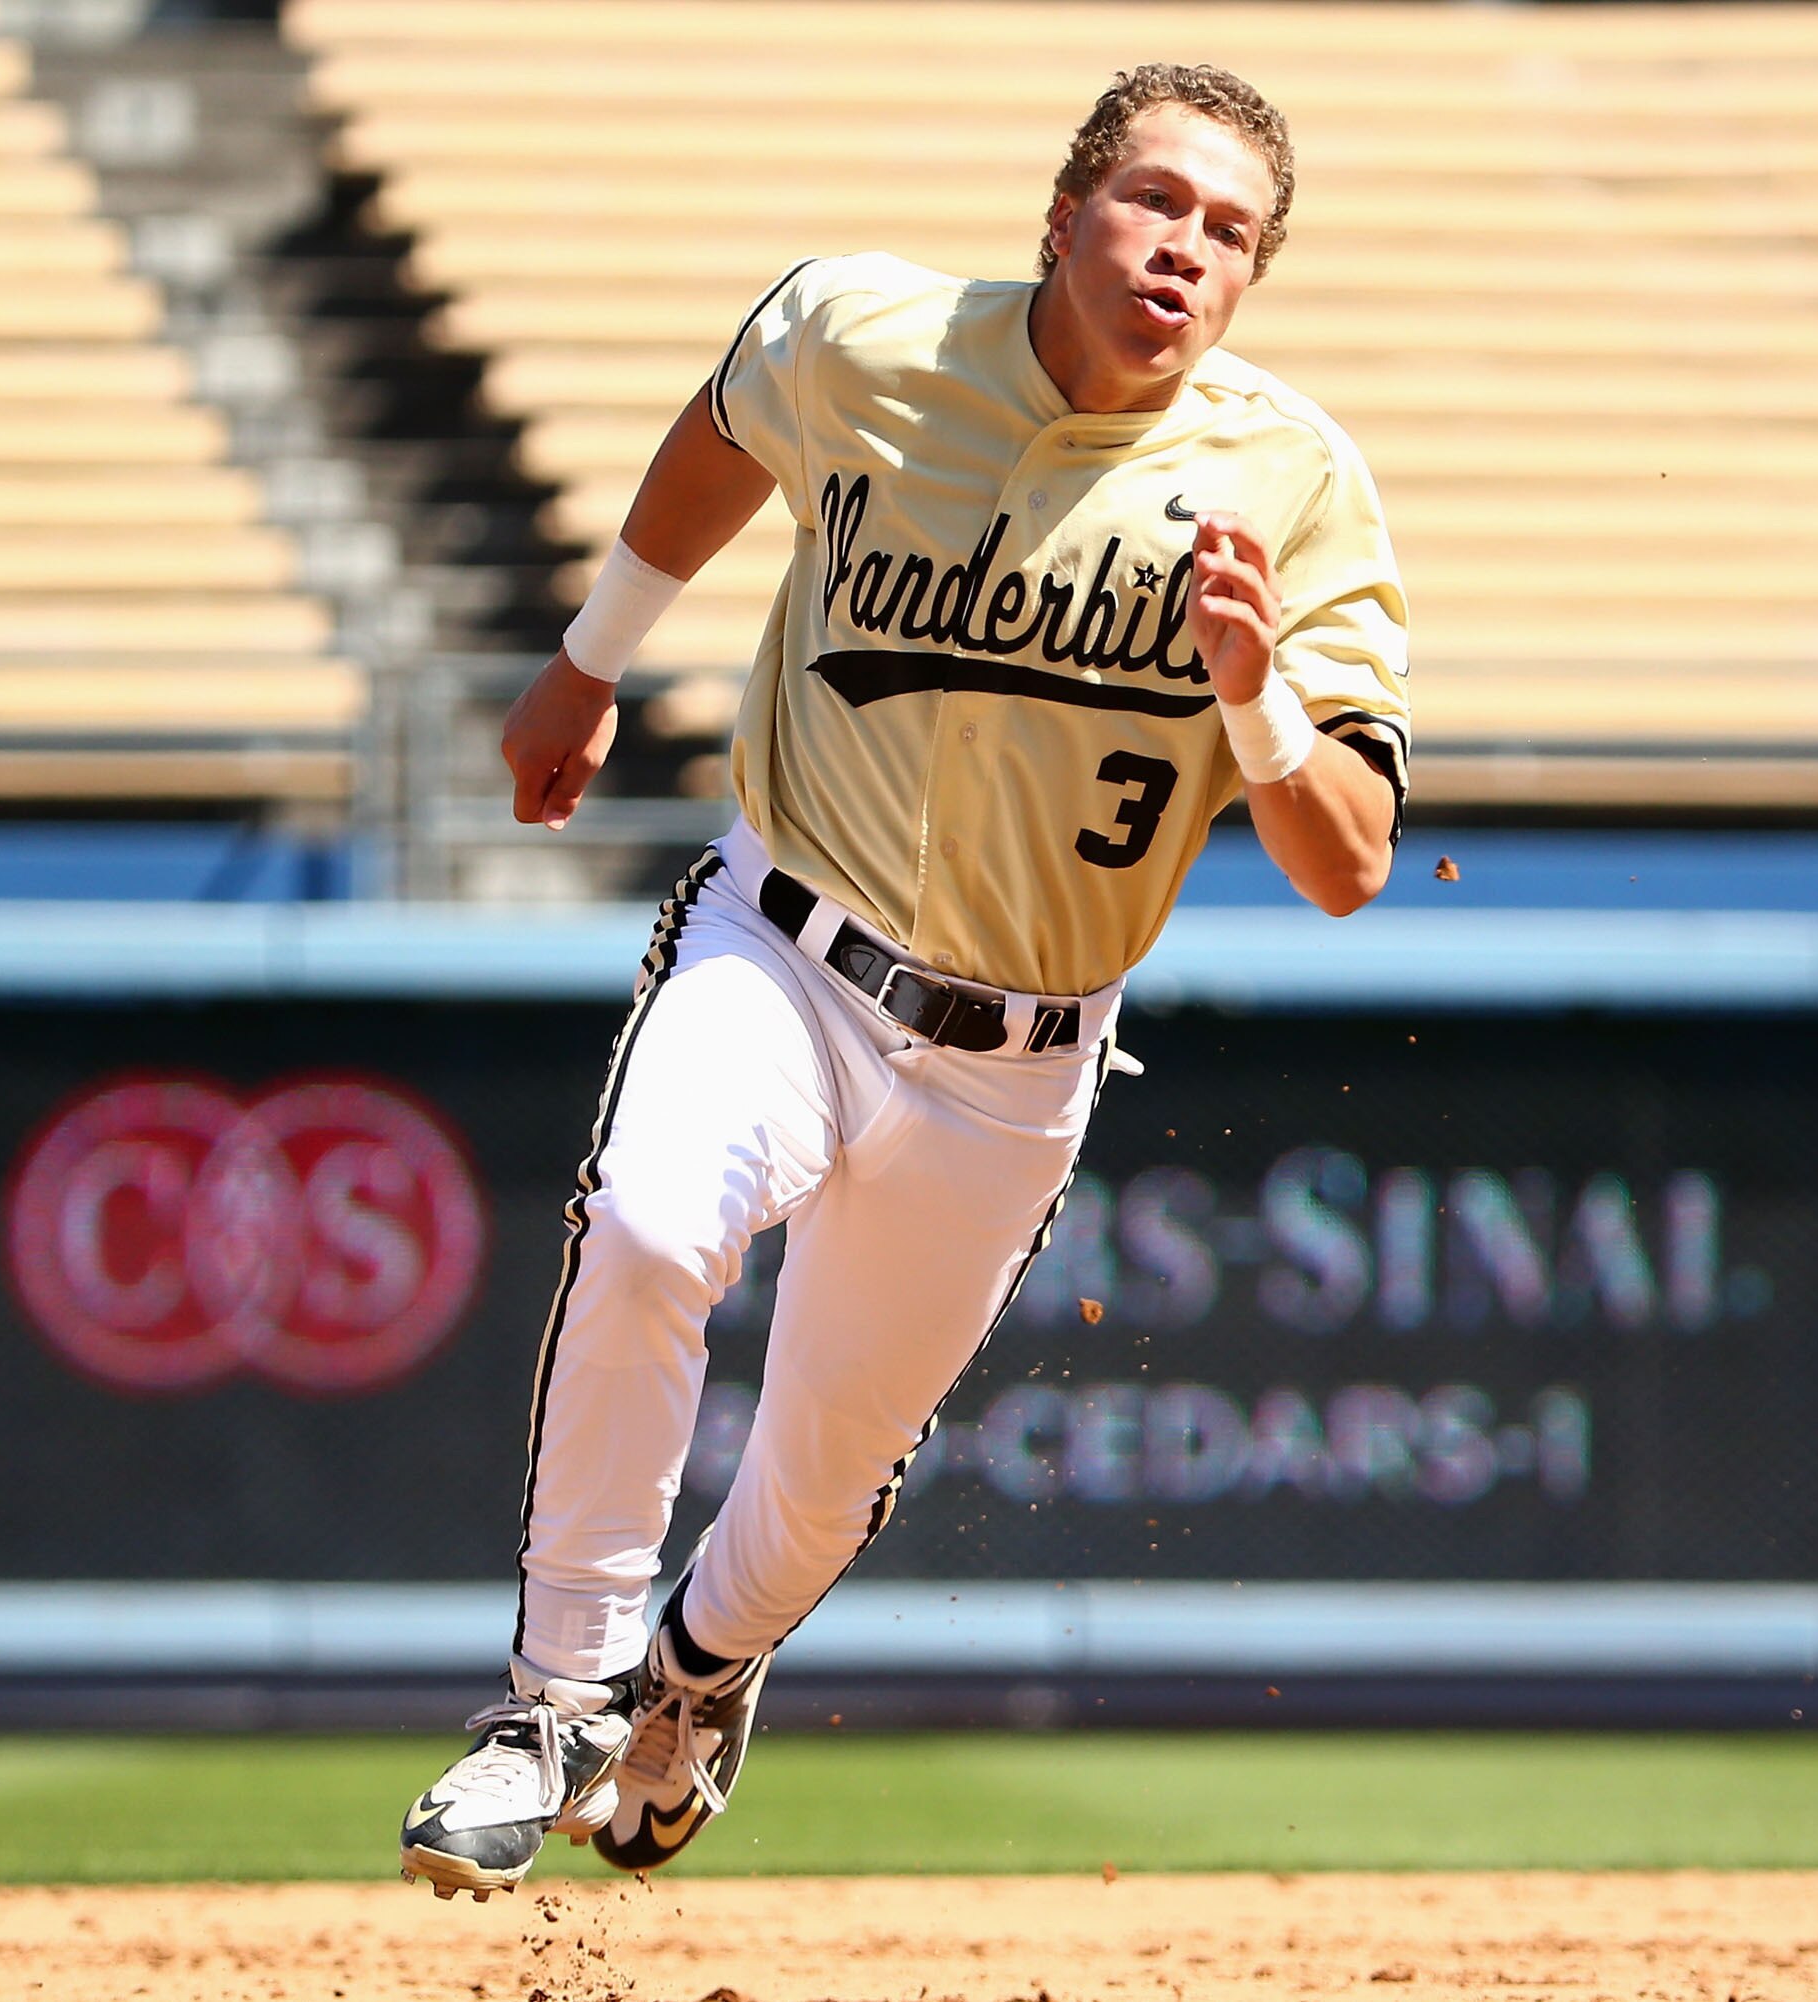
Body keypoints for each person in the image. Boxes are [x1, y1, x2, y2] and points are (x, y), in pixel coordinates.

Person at [398, 61, 1409, 1897]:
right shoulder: (869, 335)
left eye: (1231, 232)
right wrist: (591, 656)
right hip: (785, 936)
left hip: (1017, 1059)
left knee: (818, 1475)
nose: (1187, 250)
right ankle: (549, 1705)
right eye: (1156, 202)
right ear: (1064, 212)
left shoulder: (1294, 484)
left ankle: (697, 1677)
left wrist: (1257, 691)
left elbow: (1346, 866)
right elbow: (726, 424)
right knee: (640, 1226)